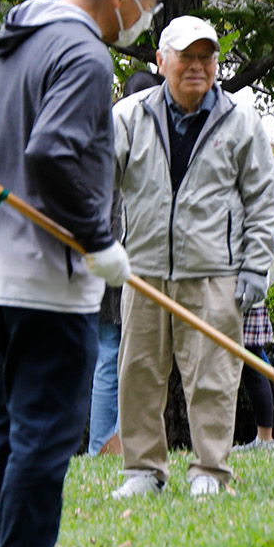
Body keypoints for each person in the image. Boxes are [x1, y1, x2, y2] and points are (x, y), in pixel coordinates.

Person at [0, 0, 170, 547]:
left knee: (8, 416)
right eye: (150, 3)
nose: (148, 17)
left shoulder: (26, 35)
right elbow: (51, 152)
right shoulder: (83, 52)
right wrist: (97, 240)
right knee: (45, 427)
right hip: (42, 274)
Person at [110, 15, 274, 497]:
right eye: (186, 56)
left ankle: (210, 470)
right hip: (143, 271)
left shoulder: (240, 120)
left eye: (206, 57)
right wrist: (97, 241)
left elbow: (263, 200)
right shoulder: (129, 116)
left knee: (214, 378)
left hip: (214, 274)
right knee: (138, 373)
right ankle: (143, 470)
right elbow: (95, 178)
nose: (197, 66)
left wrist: (255, 268)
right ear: (161, 61)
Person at [88, 69, 163, 458]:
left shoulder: (106, 133)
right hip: (128, 262)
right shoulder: (143, 137)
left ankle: (104, 445)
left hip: (108, 259)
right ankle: (115, 443)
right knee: (131, 355)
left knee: (111, 354)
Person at [231, 301, 274, 452]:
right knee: (253, 369)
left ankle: (265, 439)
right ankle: (264, 438)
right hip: (247, 300)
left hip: (244, 302)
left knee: (253, 371)